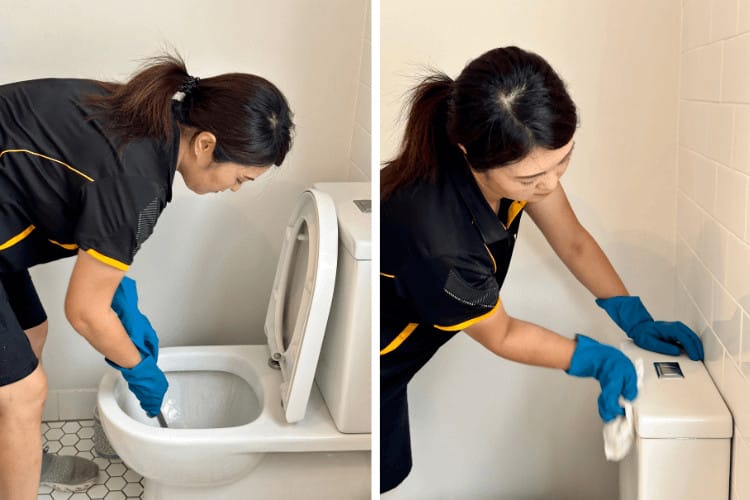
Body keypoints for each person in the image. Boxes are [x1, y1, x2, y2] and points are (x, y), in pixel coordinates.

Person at [379, 46, 703, 493]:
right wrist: (596, 361)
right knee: (380, 476)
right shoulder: (438, 241)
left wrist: (634, 316)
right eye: (530, 180)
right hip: (378, 368)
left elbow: (572, 240)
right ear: (468, 153)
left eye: (562, 161)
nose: (548, 185)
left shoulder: (515, 151)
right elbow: (504, 334)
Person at [0, 54, 293, 497]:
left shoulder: (146, 121)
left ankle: (20, 456)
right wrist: (138, 369)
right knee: (22, 393)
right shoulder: (138, 179)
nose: (233, 190)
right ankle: (16, 450)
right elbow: (83, 312)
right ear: (206, 144)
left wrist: (120, 298)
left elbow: (82, 192)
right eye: (240, 179)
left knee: (31, 332)